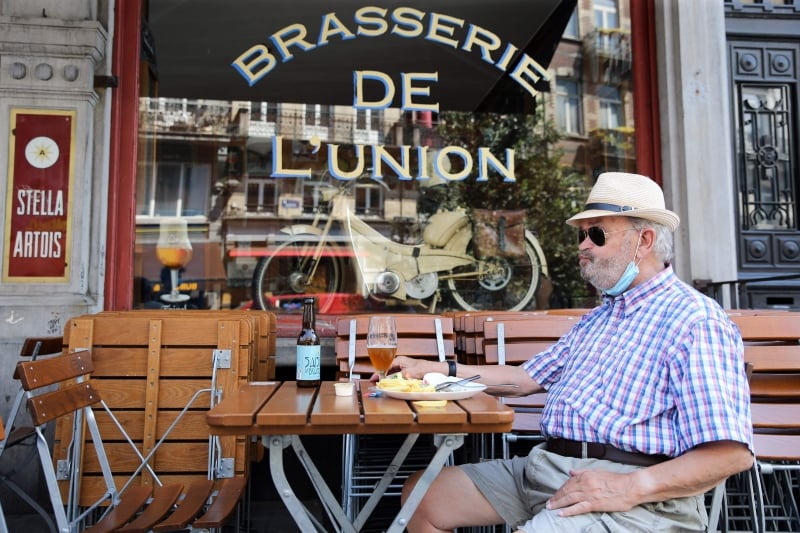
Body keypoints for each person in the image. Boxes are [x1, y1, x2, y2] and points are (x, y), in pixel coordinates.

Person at [392, 172, 754, 532]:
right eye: (581, 234)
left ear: (643, 240)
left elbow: (730, 454)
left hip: (635, 492)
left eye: (596, 233)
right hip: (547, 467)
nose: (583, 245)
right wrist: (435, 370)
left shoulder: (694, 320)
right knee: (422, 496)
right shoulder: (599, 318)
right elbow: (523, 380)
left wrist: (627, 487)